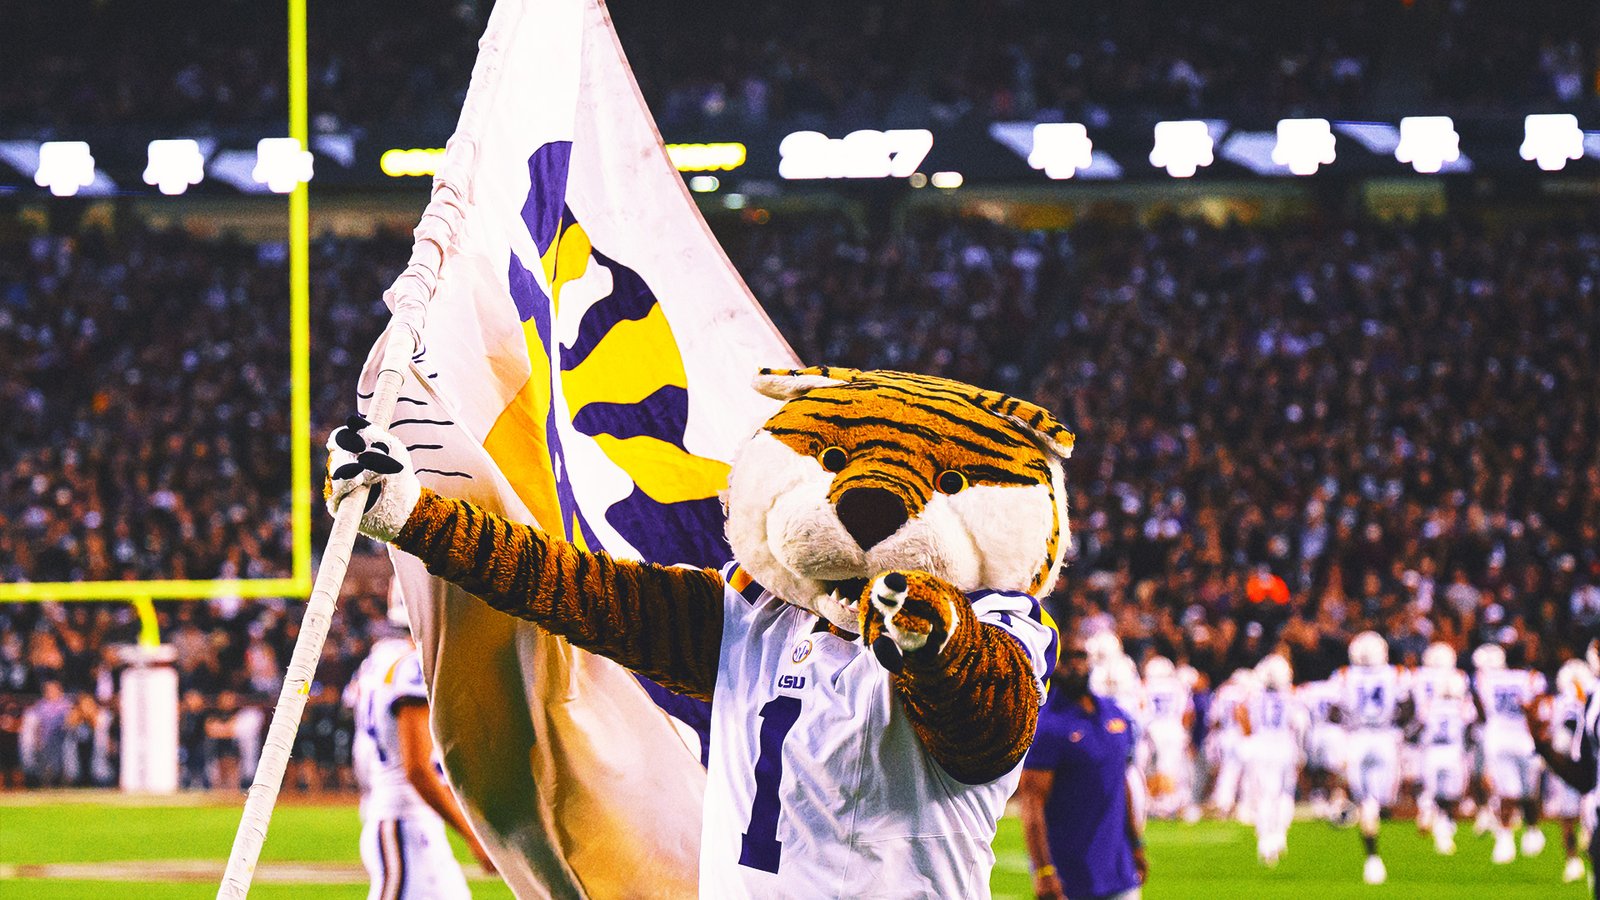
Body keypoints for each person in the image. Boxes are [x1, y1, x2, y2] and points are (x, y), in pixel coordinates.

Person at [351, 642, 495, 899]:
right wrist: (473, 836)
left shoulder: (381, 655)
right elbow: (418, 769)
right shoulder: (412, 664)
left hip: (405, 820)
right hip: (405, 825)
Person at [1018, 631, 1147, 900]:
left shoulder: (1115, 715)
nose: (1074, 664)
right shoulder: (1046, 726)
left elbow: (1119, 784)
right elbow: (1032, 802)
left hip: (1120, 871)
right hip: (1070, 877)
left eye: (1080, 656)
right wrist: (1043, 871)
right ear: (1053, 663)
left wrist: (1136, 844)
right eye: (1065, 658)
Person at [1330, 630, 1410, 885]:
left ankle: (1372, 858)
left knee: (1365, 799)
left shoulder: (1344, 675)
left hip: (1357, 738)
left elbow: (1333, 711)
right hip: (1385, 738)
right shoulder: (1395, 674)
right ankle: (1373, 857)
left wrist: (1349, 721)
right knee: (1378, 801)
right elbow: (1407, 707)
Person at [1530, 635, 1600, 900]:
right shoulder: (1587, 699)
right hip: (1585, 774)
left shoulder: (1580, 700)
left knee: (1571, 817)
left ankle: (1575, 858)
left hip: (1581, 770)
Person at [1470, 642, 1548, 863]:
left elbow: (1482, 710)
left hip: (1498, 736)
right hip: (1523, 738)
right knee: (1527, 791)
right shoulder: (1533, 678)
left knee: (1508, 791)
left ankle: (1506, 838)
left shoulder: (1486, 679)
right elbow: (1537, 712)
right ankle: (1530, 830)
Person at [1239, 654, 1301, 866]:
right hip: (1284, 746)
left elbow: (1242, 714)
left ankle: (1265, 840)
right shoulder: (1292, 696)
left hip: (1262, 745)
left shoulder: (1253, 696)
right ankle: (1280, 835)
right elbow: (1300, 725)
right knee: (1285, 793)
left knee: (1266, 795)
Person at [1537, 658, 1593, 883]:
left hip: (1569, 765)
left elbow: (1559, 736)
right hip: (1591, 764)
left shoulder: (1556, 702)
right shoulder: (1592, 698)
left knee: (1568, 817)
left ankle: (1572, 860)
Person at [1413, 666, 1475, 854]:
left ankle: (1428, 810)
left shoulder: (1428, 705)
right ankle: (1444, 830)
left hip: (1432, 752)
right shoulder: (1464, 705)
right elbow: (1470, 730)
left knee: (1432, 792)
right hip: (1453, 752)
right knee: (1450, 796)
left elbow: (1418, 727)